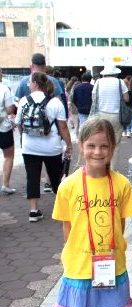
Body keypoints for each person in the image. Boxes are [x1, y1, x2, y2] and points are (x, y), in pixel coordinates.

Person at [50, 117, 132, 307]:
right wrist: (77, 254)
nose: (97, 152)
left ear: (113, 148)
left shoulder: (122, 184)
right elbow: (67, 227)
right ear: (81, 146)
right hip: (80, 265)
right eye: (91, 146)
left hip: (112, 264)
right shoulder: (69, 186)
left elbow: (120, 224)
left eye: (104, 146)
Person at [15, 73, 73, 222]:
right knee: (56, 177)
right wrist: (69, 145)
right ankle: (63, 207)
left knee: (32, 177)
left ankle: (33, 211)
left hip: (29, 147)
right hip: (51, 147)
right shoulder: (55, 102)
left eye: (29, 82)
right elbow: (63, 127)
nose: (28, 85)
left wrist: (23, 138)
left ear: (35, 83)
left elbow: (19, 124)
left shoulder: (24, 101)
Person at [16, 53, 65, 194]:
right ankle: (49, 184)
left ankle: (34, 204)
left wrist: (23, 134)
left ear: (31, 65)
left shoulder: (24, 81)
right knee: (54, 168)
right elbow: (59, 105)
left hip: (30, 138)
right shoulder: (53, 81)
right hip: (51, 135)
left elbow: (17, 107)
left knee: (32, 176)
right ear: (45, 65)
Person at [90, 65, 129, 170]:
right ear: (115, 73)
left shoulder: (98, 82)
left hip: (101, 115)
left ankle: (101, 166)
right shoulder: (120, 82)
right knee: (115, 143)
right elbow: (126, 99)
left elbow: (93, 98)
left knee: (102, 141)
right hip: (116, 115)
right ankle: (111, 168)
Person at [0, 67, 17, 194]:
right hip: (3, 128)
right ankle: (5, 185)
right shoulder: (4, 89)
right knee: (9, 156)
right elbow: (10, 109)